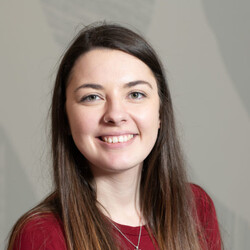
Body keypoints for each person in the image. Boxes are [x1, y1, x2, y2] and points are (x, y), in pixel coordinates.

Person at [7, 22, 221, 250]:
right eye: (92, 97)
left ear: (160, 113)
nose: (115, 115)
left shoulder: (195, 207)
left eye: (136, 94)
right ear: (66, 118)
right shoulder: (41, 235)